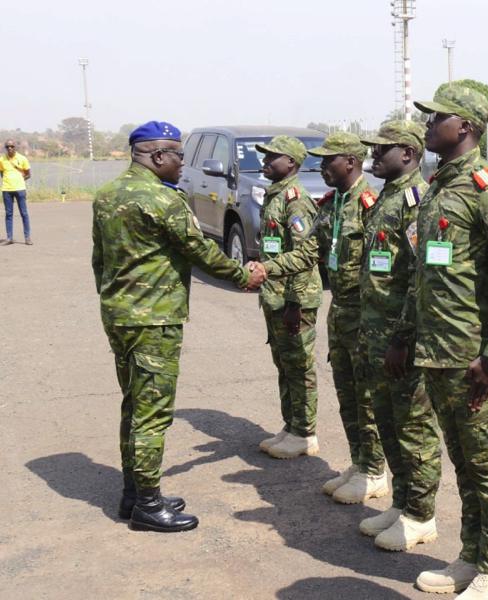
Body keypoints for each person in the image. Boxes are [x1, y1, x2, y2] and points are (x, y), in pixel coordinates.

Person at [91, 121, 266, 532]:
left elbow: (99, 259)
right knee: (152, 412)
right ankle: (149, 506)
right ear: (155, 156)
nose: (182, 164)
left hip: (119, 315)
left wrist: (115, 300)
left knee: (133, 404)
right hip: (155, 318)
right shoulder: (162, 201)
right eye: (177, 156)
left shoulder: (106, 195)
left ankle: (133, 495)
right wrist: (244, 277)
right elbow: (201, 250)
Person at [388, 83, 488, 599]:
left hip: (473, 358)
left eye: (435, 118)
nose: (426, 126)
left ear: (465, 126)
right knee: (464, 464)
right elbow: (423, 274)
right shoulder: (438, 187)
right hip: (437, 353)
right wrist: (405, 334)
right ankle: (472, 555)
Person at [356, 120, 443, 551]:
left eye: (382, 148)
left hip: (399, 338)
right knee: (387, 423)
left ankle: (421, 515)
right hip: (376, 333)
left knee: (413, 429)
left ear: (408, 154)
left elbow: (417, 277)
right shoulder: (387, 197)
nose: (373, 155)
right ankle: (403, 503)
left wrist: (403, 338)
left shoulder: (415, 200)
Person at [310, 132, 387, 504]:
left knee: (368, 396)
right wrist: (261, 270)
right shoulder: (331, 204)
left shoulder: (371, 204)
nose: (322, 166)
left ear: (351, 162)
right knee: (346, 393)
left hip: (367, 317)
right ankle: (359, 461)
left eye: (329, 160)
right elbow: (309, 250)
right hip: (339, 312)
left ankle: (375, 470)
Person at [253, 135, 323, 459]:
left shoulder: (296, 200)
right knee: (284, 364)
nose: (265, 161)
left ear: (292, 163)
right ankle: (292, 424)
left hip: (293, 299)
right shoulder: (275, 195)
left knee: (299, 366)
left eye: (272, 156)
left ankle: (306, 433)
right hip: (275, 296)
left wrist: (294, 302)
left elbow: (305, 255)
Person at [0, 139, 32, 245]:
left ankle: (27, 238)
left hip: (20, 190)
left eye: (12, 146)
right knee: (9, 214)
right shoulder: (2, 159)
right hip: (6, 190)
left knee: (24, 213)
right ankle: (9, 238)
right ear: (5, 148)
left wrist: (19, 180)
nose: (10, 148)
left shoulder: (22, 159)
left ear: (15, 147)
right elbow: (2, 173)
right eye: (8, 146)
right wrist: (7, 182)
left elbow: (28, 174)